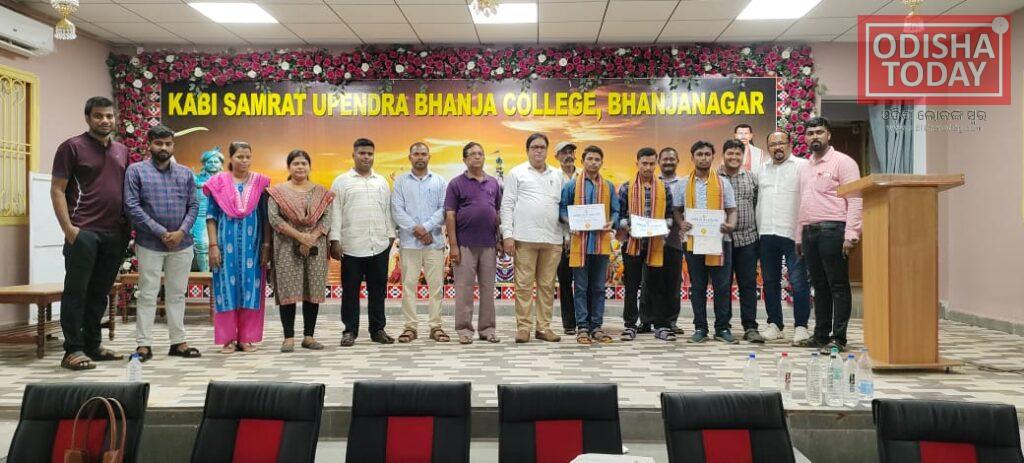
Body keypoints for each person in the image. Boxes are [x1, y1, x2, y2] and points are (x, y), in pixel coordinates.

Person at [51, 96, 130, 370]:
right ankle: (72, 350)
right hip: (83, 232)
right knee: (77, 291)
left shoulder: (122, 150)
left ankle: (93, 345)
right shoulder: (72, 147)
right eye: (98, 116)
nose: (104, 120)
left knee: (99, 292)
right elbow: (57, 189)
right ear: (88, 118)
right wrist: (69, 229)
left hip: (115, 233)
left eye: (109, 115)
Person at [123, 124, 201, 362]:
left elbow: (194, 205)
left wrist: (181, 232)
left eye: (168, 143)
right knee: (148, 293)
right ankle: (144, 345)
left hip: (182, 243)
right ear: (149, 145)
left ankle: (178, 342)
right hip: (150, 243)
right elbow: (132, 206)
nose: (164, 147)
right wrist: (161, 232)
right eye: (159, 143)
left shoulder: (185, 174)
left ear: (173, 145)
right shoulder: (136, 171)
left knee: (177, 294)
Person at [796, 117, 863, 353]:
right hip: (809, 232)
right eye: (810, 133)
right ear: (805, 138)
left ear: (829, 135)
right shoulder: (805, 167)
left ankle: (839, 338)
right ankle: (820, 335)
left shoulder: (843, 162)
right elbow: (803, 202)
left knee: (838, 285)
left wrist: (851, 234)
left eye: (819, 132)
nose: (815, 136)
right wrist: (799, 236)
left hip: (833, 231)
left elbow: (855, 199)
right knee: (819, 286)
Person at [205, 141, 271, 354]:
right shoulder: (218, 183)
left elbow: (266, 217)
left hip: (253, 247)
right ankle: (228, 339)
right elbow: (211, 217)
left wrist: (266, 246)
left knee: (251, 290)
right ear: (231, 158)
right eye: (240, 156)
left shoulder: (260, 183)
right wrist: (213, 246)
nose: (244, 161)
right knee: (226, 290)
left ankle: (246, 338)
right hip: (225, 248)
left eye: (247, 157)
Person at [330, 138, 396, 346]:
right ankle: (350, 331)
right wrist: (334, 240)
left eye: (370, 153)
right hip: (351, 246)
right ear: (354, 155)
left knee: (378, 291)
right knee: (350, 292)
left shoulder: (381, 182)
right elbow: (335, 212)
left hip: (379, 244)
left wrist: (390, 236)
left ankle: (378, 330)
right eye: (362, 153)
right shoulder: (341, 181)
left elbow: (387, 211)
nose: (366, 157)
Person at [267, 150, 334, 353]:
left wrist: (311, 237)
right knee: (288, 290)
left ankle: (309, 336)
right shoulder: (277, 192)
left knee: (311, 290)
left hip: (315, 246)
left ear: (309, 167)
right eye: (296, 163)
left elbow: (327, 218)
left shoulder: (321, 192)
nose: (300, 167)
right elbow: (274, 219)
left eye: (304, 163)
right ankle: (288, 337)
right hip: (286, 246)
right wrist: (300, 236)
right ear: (289, 167)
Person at [501, 133, 564, 343]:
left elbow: (563, 206)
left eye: (542, 147)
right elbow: (507, 205)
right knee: (524, 285)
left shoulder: (558, 175)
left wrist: (566, 235)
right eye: (534, 147)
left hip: (553, 239)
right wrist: (508, 235)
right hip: (524, 238)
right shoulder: (516, 173)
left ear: (547, 150)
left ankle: (544, 328)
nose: (538, 151)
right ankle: (524, 328)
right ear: (527, 150)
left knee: (547, 286)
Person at [679, 141, 738, 344]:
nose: (703, 158)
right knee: (698, 286)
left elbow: (732, 210)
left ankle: (722, 328)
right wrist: (681, 222)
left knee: (722, 286)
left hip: (720, 241)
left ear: (713, 157)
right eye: (699, 154)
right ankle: (700, 328)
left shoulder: (723, 183)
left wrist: (731, 225)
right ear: (692, 157)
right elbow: (677, 209)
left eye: (707, 154)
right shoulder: (683, 183)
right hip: (693, 241)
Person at [757, 131, 812, 345]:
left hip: (793, 233)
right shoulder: (762, 169)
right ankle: (775, 324)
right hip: (766, 232)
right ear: (768, 148)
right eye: (773, 144)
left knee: (798, 281)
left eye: (781, 143)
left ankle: (801, 326)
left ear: (790, 145)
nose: (777, 147)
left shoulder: (803, 166)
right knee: (770, 281)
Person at [560, 145, 618, 344]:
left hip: (601, 243)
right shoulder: (572, 185)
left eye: (597, 159)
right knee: (581, 287)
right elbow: (562, 210)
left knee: (599, 287)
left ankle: (597, 327)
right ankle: (583, 327)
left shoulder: (608, 186)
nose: (593, 163)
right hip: (580, 244)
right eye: (590, 159)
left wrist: (612, 222)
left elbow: (616, 211)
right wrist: (571, 222)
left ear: (602, 162)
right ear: (582, 161)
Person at [392, 142, 450, 343]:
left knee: (436, 286)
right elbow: (397, 210)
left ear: (429, 157)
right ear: (410, 157)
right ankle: (410, 327)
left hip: (434, 242)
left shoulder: (439, 181)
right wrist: (417, 230)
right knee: (408, 286)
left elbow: (443, 209)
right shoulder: (400, 182)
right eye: (416, 154)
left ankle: (436, 327)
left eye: (423, 154)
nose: (420, 157)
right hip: (409, 243)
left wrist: (425, 228)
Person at [445, 142, 503, 344]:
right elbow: (450, 215)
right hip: (464, 245)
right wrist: (453, 246)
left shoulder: (493, 183)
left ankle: (487, 329)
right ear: (464, 159)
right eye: (472, 154)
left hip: (489, 244)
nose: (477, 157)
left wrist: (499, 240)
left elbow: (497, 213)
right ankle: (464, 330)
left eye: (480, 153)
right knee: (464, 289)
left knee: (488, 288)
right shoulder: (455, 184)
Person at [617, 147, 675, 341]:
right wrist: (628, 226)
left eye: (651, 164)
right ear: (637, 163)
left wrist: (664, 226)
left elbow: (669, 215)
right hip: (632, 244)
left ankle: (660, 325)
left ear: (656, 164)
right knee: (631, 286)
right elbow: (620, 216)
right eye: (644, 163)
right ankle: (630, 325)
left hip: (656, 244)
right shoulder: (626, 187)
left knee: (657, 286)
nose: (648, 167)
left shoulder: (663, 187)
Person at [719, 139, 763, 343]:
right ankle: (723, 326)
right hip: (722, 241)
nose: (734, 157)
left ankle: (750, 327)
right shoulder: (714, 178)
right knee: (723, 285)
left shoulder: (751, 178)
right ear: (723, 155)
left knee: (748, 284)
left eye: (738, 154)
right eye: (730, 153)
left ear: (743, 156)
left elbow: (756, 204)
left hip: (748, 239)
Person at [640, 147, 686, 336]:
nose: (668, 162)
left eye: (671, 159)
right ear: (659, 162)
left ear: (677, 161)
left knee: (673, 283)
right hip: (651, 241)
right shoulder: (651, 182)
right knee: (648, 282)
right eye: (664, 159)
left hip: (674, 241)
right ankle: (646, 320)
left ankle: (670, 321)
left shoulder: (683, 184)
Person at [553, 141, 578, 335]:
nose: (568, 155)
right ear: (556, 156)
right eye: (564, 152)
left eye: (571, 152)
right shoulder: (552, 178)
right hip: (559, 238)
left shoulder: (584, 176)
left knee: (584, 282)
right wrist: (566, 235)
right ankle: (569, 323)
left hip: (583, 238)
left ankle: (586, 321)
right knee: (565, 282)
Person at [191, 148, 224, 271]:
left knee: (223, 245)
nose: (213, 164)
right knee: (202, 244)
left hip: (222, 217)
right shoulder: (196, 179)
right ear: (204, 164)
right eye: (210, 162)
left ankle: (220, 276)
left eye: (216, 161)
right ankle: (204, 276)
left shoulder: (228, 180)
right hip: (201, 216)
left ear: (221, 164)